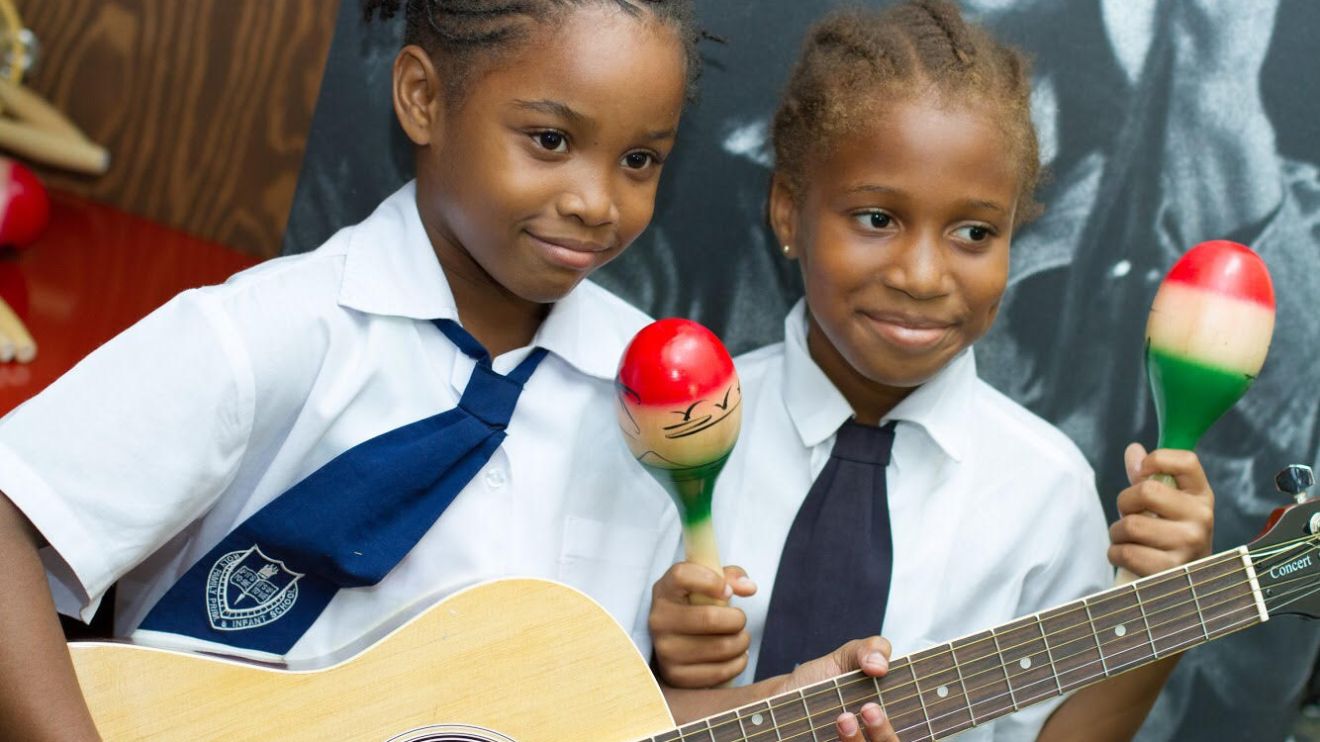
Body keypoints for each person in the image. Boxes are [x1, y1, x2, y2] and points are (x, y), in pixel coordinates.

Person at [0, 0, 730, 737]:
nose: (596, 202)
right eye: (550, 139)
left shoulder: (660, 399)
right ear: (423, 98)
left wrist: (727, 669)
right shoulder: (274, 329)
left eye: (639, 160)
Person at [647, 2, 1215, 740]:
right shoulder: (670, 440)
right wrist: (656, 661)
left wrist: (1164, 608)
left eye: (974, 232)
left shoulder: (1048, 491)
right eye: (877, 219)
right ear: (789, 211)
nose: (922, 275)